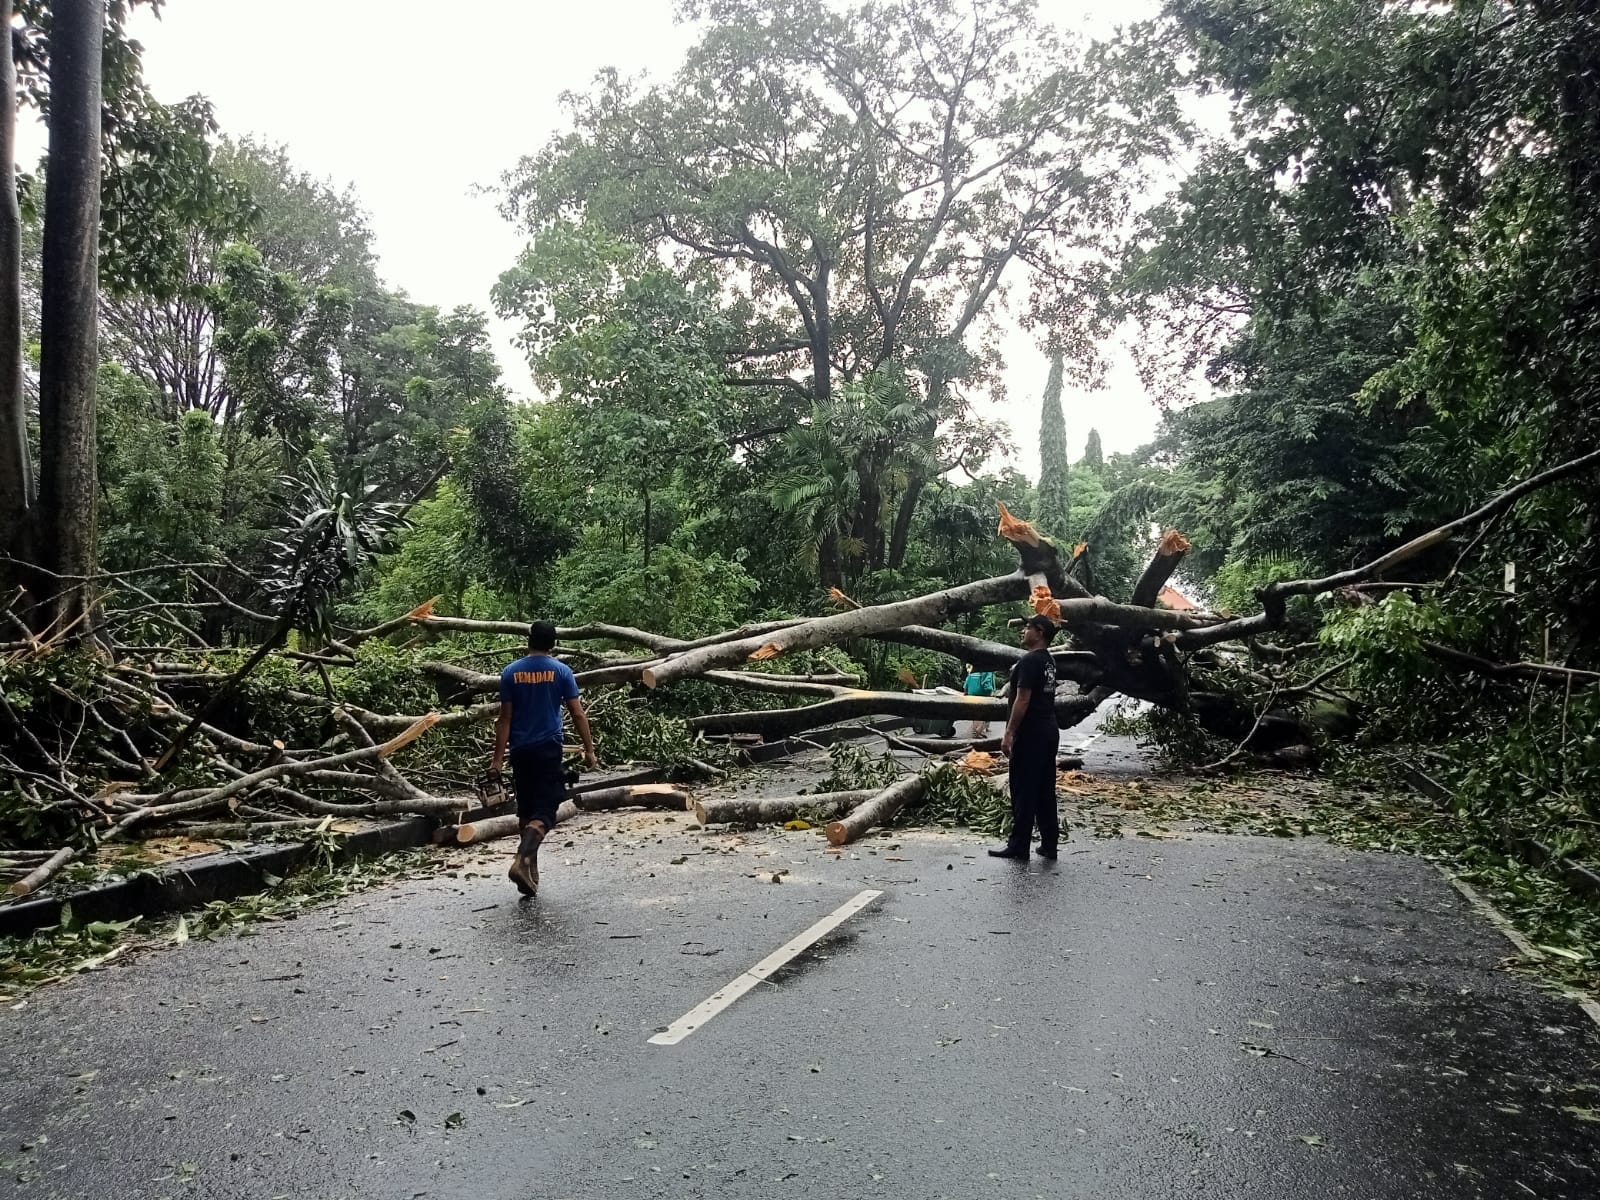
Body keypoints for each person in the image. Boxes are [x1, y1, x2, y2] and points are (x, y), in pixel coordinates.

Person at [490, 621, 598, 896]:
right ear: (553, 644)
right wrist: (589, 749)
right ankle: (522, 860)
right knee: (547, 810)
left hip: (520, 750)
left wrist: (497, 760)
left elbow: (504, 719)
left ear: (529, 640)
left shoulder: (511, 672)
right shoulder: (561, 671)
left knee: (526, 811)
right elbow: (577, 713)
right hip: (548, 748)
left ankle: (530, 871)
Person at [989, 614, 1061, 861]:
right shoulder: (1049, 661)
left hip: (1031, 734)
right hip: (1049, 730)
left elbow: (1023, 699)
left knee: (1024, 789)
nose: (1023, 632)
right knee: (1044, 788)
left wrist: (1009, 733)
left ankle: (1019, 845)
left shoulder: (1030, 661)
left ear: (1039, 631)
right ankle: (1049, 843)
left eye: (1027, 628)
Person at [963, 663, 996, 737]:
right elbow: (986, 682)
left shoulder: (973, 666)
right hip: (981, 691)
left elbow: (968, 679)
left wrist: (965, 691)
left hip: (971, 690)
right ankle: (978, 730)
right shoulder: (987, 668)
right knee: (983, 711)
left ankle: (975, 729)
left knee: (975, 711)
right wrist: (990, 692)